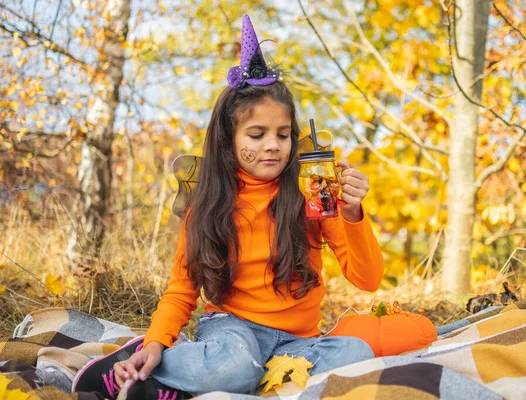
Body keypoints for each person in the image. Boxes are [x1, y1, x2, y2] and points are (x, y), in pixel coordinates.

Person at [72, 14, 384, 400]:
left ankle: (169, 389)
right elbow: (182, 290)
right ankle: (142, 363)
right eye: (257, 134)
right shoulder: (208, 206)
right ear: (228, 139)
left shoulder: (313, 194)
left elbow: (368, 280)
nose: (273, 145)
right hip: (231, 330)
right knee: (234, 366)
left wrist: (353, 214)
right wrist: (156, 340)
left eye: (283, 135)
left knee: (357, 355)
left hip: (295, 344)